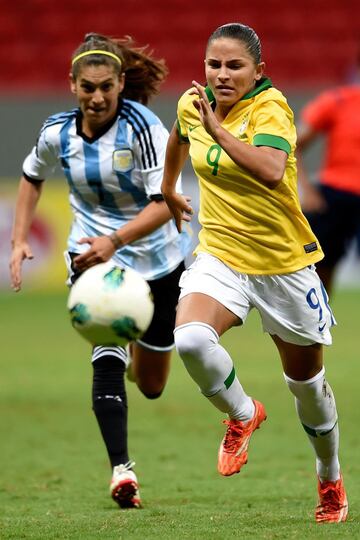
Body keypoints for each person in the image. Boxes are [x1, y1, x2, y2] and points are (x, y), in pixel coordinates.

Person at [161, 22, 348, 523]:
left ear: (257, 71)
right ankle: (243, 414)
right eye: (214, 65)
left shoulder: (272, 108)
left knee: (308, 388)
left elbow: (269, 171)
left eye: (234, 66)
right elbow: (180, 136)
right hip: (221, 253)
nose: (221, 75)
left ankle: (329, 476)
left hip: (284, 265)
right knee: (192, 340)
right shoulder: (192, 104)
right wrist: (169, 186)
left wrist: (219, 130)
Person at [9, 33, 192, 509]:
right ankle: (121, 471)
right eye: (87, 87)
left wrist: (117, 239)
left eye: (106, 87)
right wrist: (19, 240)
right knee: (104, 353)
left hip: (158, 259)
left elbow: (164, 205)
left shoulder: (144, 129)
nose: (96, 97)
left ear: (120, 84)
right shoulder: (56, 132)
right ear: (72, 85)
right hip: (92, 257)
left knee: (151, 385)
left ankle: (137, 351)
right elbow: (31, 176)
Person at [296, 57, 360, 296]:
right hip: (337, 194)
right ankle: (317, 322)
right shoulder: (338, 100)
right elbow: (294, 145)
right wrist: (306, 190)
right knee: (319, 266)